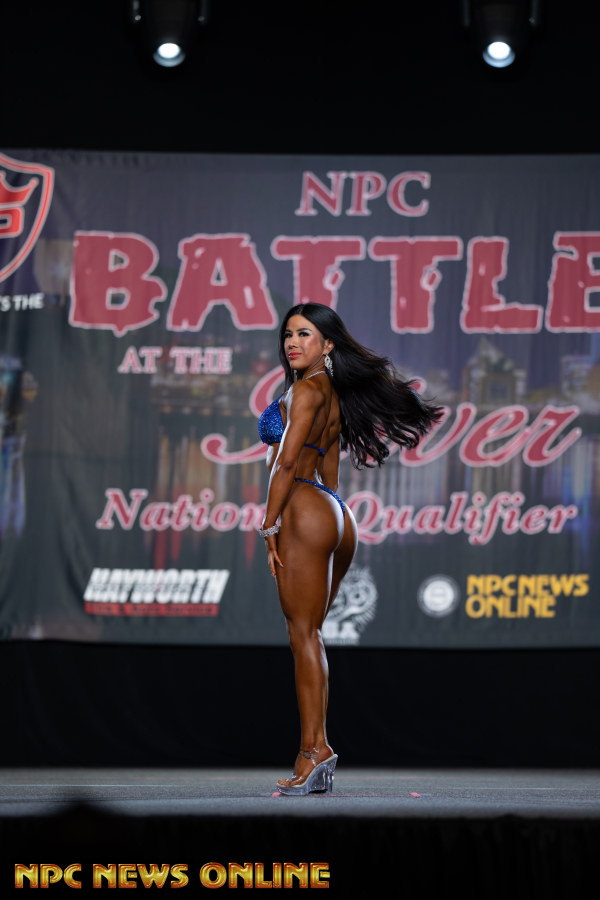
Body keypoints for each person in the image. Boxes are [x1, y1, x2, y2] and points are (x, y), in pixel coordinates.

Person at [258, 303, 443, 795]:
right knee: (312, 635)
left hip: (304, 508)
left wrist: (269, 524)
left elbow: (287, 463)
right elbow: (329, 471)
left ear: (328, 344)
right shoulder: (332, 393)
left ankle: (313, 751)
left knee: (302, 636)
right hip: (336, 515)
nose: (292, 342)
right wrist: (327, 514)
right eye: (288, 334)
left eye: (304, 334)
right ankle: (315, 751)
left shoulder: (304, 391)